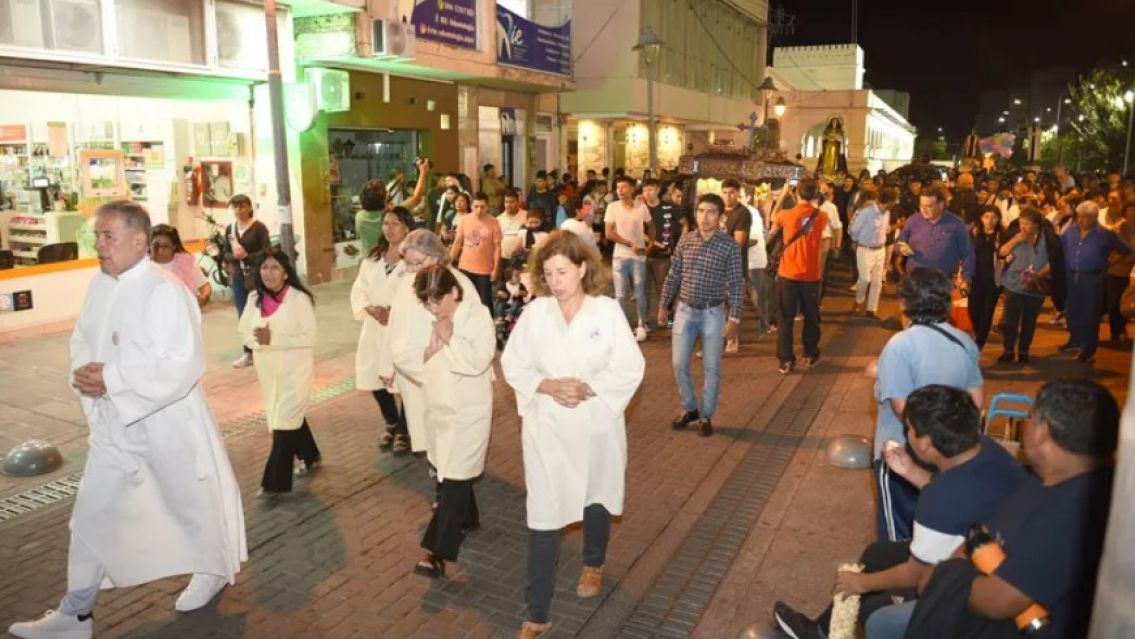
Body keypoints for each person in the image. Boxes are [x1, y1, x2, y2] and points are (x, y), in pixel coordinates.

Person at [9, 201, 248, 639]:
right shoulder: (100, 285)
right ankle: (75, 614)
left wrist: (113, 378)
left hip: (168, 425)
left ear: (139, 241)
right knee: (91, 515)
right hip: (113, 427)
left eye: (108, 237)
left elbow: (182, 364)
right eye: (97, 237)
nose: (99, 246)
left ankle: (212, 569)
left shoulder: (165, 290)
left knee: (190, 507)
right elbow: (83, 338)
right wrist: (84, 374)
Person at [773, 385, 1026, 639]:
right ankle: (822, 631)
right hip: (996, 554)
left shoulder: (938, 502)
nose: (907, 435)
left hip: (983, 587)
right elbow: (960, 494)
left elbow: (916, 575)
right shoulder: (986, 449)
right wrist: (911, 472)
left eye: (911, 430)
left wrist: (860, 583)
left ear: (926, 443)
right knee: (877, 554)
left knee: (876, 615)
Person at [501, 231, 645, 639]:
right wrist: (546, 386)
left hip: (595, 426)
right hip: (547, 431)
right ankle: (536, 613)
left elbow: (630, 367)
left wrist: (589, 388)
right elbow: (513, 363)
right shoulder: (535, 313)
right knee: (543, 515)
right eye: (548, 274)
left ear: (582, 269)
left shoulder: (606, 312)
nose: (555, 281)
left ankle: (593, 562)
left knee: (595, 495)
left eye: (562, 272)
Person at [902, 380, 1119, 639]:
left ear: (1042, 432)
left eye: (1030, 419)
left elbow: (998, 601)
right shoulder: (1051, 479)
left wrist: (943, 579)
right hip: (975, 580)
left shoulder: (1073, 513)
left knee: (883, 622)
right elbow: (984, 532)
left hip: (1002, 625)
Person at [392, 265, 495, 579]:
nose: (434, 309)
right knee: (449, 471)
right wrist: (426, 353)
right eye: (427, 303)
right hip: (438, 408)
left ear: (454, 291)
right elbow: (403, 353)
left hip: (468, 412)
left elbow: (480, 359)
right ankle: (469, 517)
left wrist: (451, 340)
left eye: (438, 301)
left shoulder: (477, 316)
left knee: (453, 478)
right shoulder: (425, 317)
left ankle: (436, 552)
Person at [873, 268, 984, 543]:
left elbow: (901, 408)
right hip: (949, 454)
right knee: (937, 531)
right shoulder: (964, 341)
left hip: (901, 453)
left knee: (899, 536)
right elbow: (976, 402)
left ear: (904, 303)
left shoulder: (900, 345)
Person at [379, 230, 479, 459]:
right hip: (413, 368)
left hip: (448, 368)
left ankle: (448, 474)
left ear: (435, 256)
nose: (413, 269)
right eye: (409, 263)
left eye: (418, 262)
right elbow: (394, 324)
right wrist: (387, 364)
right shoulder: (406, 283)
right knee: (422, 427)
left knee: (448, 428)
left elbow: (475, 331)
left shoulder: (458, 282)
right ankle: (436, 467)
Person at [658, 193, 744, 437]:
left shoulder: (729, 246)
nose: (705, 217)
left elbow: (737, 284)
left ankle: (706, 415)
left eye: (711, 212)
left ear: (720, 217)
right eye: (701, 211)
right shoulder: (685, 240)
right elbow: (674, 274)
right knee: (678, 363)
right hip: (684, 310)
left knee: (712, 367)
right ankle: (690, 408)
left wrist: (734, 319)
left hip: (712, 312)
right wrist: (663, 304)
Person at [238, 248, 321, 495]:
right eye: (264, 267)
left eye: (275, 267)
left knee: (283, 423)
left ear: (286, 273)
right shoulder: (254, 298)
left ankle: (274, 483)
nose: (269, 273)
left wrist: (272, 339)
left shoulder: (299, 299)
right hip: (268, 371)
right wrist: (257, 342)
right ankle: (310, 454)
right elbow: (243, 331)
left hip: (295, 370)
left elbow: (309, 336)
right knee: (284, 417)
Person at [351, 208, 415, 451]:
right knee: (373, 375)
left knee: (406, 379)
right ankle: (391, 421)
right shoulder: (372, 259)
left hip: (402, 329)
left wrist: (393, 312)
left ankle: (405, 430)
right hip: (375, 327)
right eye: (386, 223)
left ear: (407, 227)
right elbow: (359, 289)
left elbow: (418, 295)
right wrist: (371, 309)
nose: (389, 228)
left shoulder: (414, 260)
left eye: (395, 223)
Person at [1060, 200, 1131, 363]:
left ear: (1094, 217)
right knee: (1072, 311)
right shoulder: (1071, 231)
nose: (1081, 220)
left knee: (1090, 313)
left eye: (1085, 217)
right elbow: (1061, 247)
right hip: (1072, 276)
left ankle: (1088, 349)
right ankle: (1075, 340)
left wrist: (1109, 262)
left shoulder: (1105, 234)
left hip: (1092, 278)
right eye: (1079, 216)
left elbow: (1125, 250)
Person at [775, 178, 828, 374]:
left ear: (796, 193)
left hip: (788, 273)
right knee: (812, 316)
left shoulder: (787, 215)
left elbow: (773, 216)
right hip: (811, 275)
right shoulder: (822, 216)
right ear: (814, 194)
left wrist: (783, 193)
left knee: (785, 318)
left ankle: (786, 359)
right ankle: (810, 353)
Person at [997, 208, 1050, 365]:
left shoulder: (1047, 239)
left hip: (1035, 286)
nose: (1022, 227)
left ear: (1036, 225)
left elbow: (1054, 261)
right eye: (1021, 223)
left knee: (1029, 321)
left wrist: (1038, 275)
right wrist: (1015, 240)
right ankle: (1008, 350)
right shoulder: (1017, 236)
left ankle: (1024, 350)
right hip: (1013, 285)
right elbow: (1002, 252)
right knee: (1010, 320)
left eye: (1026, 224)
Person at [223, 194, 270, 369]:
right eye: (235, 207)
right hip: (238, 276)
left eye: (242, 206)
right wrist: (234, 257)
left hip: (256, 276)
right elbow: (225, 252)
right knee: (243, 313)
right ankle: (248, 352)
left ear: (249, 208)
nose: (238, 210)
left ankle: (264, 348)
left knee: (259, 312)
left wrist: (247, 256)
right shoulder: (230, 229)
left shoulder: (259, 228)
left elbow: (266, 251)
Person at [605, 175, 654, 341]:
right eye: (618, 187)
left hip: (638, 256)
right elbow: (608, 233)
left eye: (624, 187)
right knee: (620, 294)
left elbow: (651, 226)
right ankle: (622, 326)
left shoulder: (641, 207)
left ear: (632, 189)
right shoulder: (612, 207)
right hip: (619, 256)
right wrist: (628, 243)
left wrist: (650, 244)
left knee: (639, 292)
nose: (620, 190)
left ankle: (641, 325)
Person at [897, 184, 975, 284]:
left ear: (941, 205)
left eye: (929, 206)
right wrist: (901, 248)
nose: (923, 210)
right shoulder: (912, 221)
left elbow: (967, 252)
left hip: (944, 281)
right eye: (921, 206)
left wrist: (966, 277)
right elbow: (900, 241)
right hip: (915, 280)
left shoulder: (956, 224)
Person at [450, 192, 502, 311]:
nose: (479, 210)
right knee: (464, 300)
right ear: (471, 206)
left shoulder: (494, 222)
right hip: (465, 267)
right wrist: (449, 261)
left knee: (485, 303)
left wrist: (496, 268)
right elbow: (457, 242)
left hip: (484, 269)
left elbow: (498, 247)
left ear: (487, 206)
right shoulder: (464, 220)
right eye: (476, 206)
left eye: (482, 207)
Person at [848, 185, 892, 319]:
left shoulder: (887, 213)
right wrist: (856, 241)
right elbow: (853, 229)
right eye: (888, 204)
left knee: (877, 281)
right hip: (865, 249)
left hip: (880, 249)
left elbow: (886, 228)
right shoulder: (865, 212)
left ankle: (872, 309)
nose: (889, 207)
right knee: (865, 279)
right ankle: (859, 300)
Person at [644, 178, 681, 328]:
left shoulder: (669, 207)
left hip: (663, 256)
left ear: (658, 190)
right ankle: (645, 320)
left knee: (665, 288)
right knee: (644, 289)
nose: (647, 193)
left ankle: (669, 316)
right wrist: (651, 241)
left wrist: (679, 246)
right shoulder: (639, 208)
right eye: (645, 190)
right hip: (642, 255)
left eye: (650, 189)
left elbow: (684, 224)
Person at [969, 206, 1007, 349]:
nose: (990, 220)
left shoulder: (1001, 236)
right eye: (986, 217)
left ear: (998, 219)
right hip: (975, 279)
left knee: (987, 312)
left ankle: (980, 342)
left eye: (994, 217)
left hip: (993, 281)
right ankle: (978, 332)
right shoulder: (974, 234)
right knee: (973, 311)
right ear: (981, 218)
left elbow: (1008, 254)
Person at [149, 223, 211, 307]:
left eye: (165, 246)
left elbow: (204, 285)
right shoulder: (143, 266)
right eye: (156, 245)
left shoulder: (186, 263)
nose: (160, 250)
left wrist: (204, 297)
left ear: (174, 246)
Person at [1103, 201, 1135, 343]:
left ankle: (1121, 329)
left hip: (1132, 272)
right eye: (1131, 210)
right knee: (1114, 303)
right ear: (1125, 213)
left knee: (1127, 302)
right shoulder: (1120, 229)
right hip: (1117, 271)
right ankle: (1116, 331)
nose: (1133, 213)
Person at [817, 180, 844, 299]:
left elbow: (837, 227)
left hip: (823, 243)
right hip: (807, 243)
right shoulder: (806, 205)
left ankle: (815, 301)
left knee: (818, 273)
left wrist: (837, 246)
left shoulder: (830, 207)